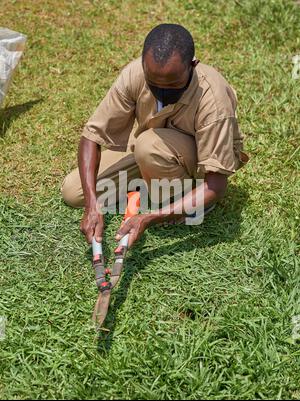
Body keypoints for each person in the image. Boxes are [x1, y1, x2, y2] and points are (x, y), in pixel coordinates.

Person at [61, 23, 248, 248]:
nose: (163, 91)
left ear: (193, 65)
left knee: (148, 146)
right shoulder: (135, 74)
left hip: (196, 165)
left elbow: (216, 185)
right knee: (74, 192)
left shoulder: (213, 99)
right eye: (154, 84)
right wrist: (92, 205)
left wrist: (150, 218)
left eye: (173, 85)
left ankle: (186, 200)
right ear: (143, 65)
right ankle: (150, 176)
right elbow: (92, 136)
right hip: (148, 147)